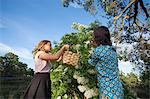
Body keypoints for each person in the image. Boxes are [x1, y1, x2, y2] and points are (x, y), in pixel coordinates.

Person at [88, 26, 124, 99]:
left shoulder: (98, 51)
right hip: (118, 89)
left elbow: (90, 62)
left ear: (97, 38)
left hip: (107, 91)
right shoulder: (112, 50)